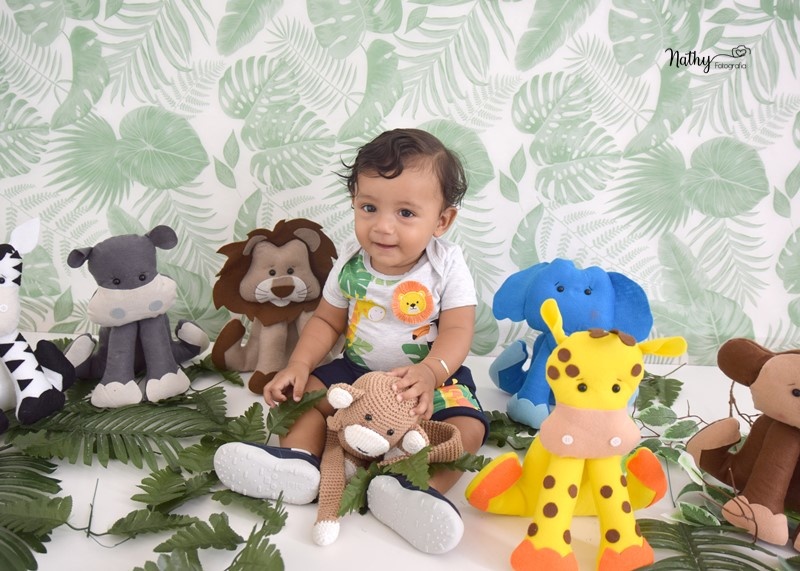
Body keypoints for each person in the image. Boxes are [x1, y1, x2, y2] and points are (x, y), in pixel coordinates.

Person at [214, 128, 488, 554]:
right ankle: (300, 465)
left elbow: (457, 330)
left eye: (406, 213)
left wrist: (431, 372)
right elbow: (327, 320)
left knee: (467, 427)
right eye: (369, 207)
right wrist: (299, 365)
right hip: (355, 375)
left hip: (426, 380)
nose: (382, 226)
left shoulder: (446, 265)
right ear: (355, 202)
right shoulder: (351, 261)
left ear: (442, 221)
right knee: (303, 398)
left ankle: (415, 491)